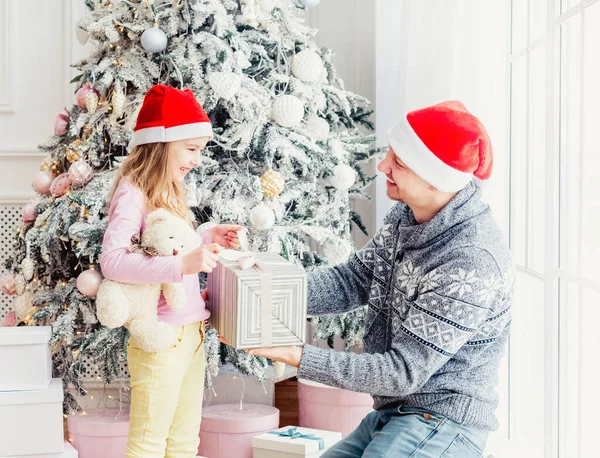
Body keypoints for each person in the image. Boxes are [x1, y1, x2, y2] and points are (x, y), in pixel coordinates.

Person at [250, 101, 514, 457]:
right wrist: (273, 290)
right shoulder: (408, 214)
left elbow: (401, 371)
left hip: (443, 421)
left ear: (436, 179)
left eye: (399, 163)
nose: (383, 166)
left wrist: (297, 355)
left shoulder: (470, 261)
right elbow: (355, 280)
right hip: (397, 411)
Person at [100, 84, 242, 458]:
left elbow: (168, 242)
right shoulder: (133, 193)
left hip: (192, 333)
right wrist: (183, 265)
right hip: (161, 338)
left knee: (183, 443)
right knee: (148, 443)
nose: (196, 159)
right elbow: (113, 260)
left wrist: (207, 236)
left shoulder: (171, 190)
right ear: (161, 143)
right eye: (190, 148)